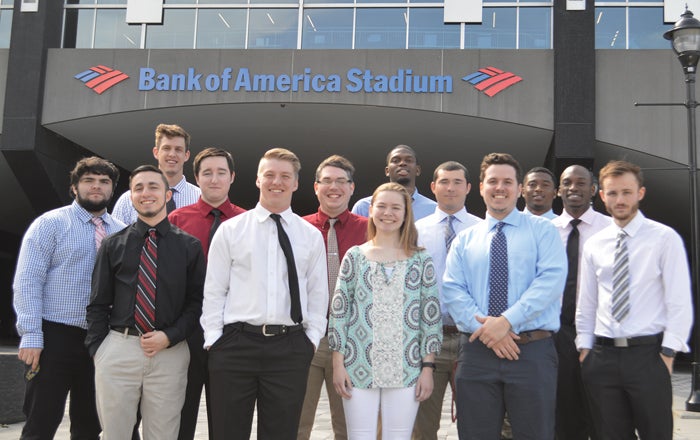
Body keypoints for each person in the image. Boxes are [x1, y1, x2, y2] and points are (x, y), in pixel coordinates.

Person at [202, 148, 328, 440]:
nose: (277, 182)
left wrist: (310, 340)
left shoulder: (309, 236)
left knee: (281, 434)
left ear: (296, 183)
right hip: (235, 346)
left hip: (290, 347)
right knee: (227, 433)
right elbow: (214, 290)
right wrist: (213, 339)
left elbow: (318, 292)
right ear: (258, 180)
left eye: (285, 176)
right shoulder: (231, 230)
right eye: (269, 175)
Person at [442, 152, 567, 439]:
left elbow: (550, 282)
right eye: (493, 181)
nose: (500, 187)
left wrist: (506, 322)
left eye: (508, 182)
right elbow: (453, 289)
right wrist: (486, 330)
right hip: (476, 352)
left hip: (532, 352)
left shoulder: (543, 231)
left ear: (519, 188)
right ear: (482, 186)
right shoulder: (465, 239)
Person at [86, 165, 206, 439]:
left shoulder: (189, 247)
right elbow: (97, 303)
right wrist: (99, 351)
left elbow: (197, 303)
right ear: (131, 197)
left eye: (153, 186)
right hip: (119, 350)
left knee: (163, 434)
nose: (145, 193)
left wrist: (170, 336)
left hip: (170, 353)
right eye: (138, 188)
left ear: (167, 196)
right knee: (115, 434)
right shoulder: (113, 245)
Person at [576, 160, 693, 440]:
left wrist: (667, 352)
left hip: (648, 356)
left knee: (657, 434)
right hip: (601, 357)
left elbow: (679, 301)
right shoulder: (595, 243)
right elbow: (587, 301)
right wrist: (584, 348)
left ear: (640, 193)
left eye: (627, 192)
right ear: (602, 196)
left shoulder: (664, 238)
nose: (620, 199)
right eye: (612, 193)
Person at [13, 157, 125, 440]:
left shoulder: (122, 232)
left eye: (104, 181)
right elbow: (27, 280)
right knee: (41, 420)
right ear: (75, 187)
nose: (96, 187)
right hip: (55, 336)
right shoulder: (49, 224)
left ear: (112, 189)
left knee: (90, 424)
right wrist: (31, 335)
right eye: (89, 180)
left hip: (101, 339)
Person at [330, 182, 443, 440]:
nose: (388, 213)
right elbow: (340, 312)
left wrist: (428, 368)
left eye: (396, 207)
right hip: (357, 365)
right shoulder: (354, 257)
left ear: (406, 213)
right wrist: (338, 364)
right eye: (381, 206)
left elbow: (430, 318)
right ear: (371, 210)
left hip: (408, 367)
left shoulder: (421, 259)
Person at [168, 148, 246, 440]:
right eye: (207, 173)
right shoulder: (176, 220)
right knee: (181, 414)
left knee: (227, 418)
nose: (214, 179)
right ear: (196, 178)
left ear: (232, 177)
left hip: (233, 332)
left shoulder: (247, 222)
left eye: (221, 172)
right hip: (186, 331)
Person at [299, 155, 368, 440]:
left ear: (352, 188)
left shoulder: (370, 229)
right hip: (305, 340)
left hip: (354, 342)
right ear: (315, 187)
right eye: (326, 181)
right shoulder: (297, 228)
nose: (334, 187)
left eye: (341, 181)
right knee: (296, 423)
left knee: (351, 428)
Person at [413, 161, 481, 440]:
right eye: (444, 182)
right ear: (433, 187)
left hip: (473, 339)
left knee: (477, 423)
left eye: (456, 182)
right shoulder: (415, 230)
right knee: (422, 427)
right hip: (428, 339)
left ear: (468, 188)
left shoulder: (483, 229)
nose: (450, 188)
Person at [550, 165, 610, 440]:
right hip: (556, 334)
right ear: (559, 190)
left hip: (601, 335)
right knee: (564, 414)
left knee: (604, 413)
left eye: (581, 182)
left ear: (594, 189)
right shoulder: (545, 231)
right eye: (567, 183)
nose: (574, 187)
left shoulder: (611, 229)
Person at [113, 123, 200, 224]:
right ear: (156, 152)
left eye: (178, 149)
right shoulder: (128, 200)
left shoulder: (200, 198)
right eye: (166, 148)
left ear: (186, 155)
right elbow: (116, 237)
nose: (172, 154)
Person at [351, 145, 436, 220]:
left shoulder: (434, 209)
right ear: (387, 171)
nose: (402, 163)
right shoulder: (363, 207)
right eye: (396, 161)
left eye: (409, 160)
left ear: (417, 170)